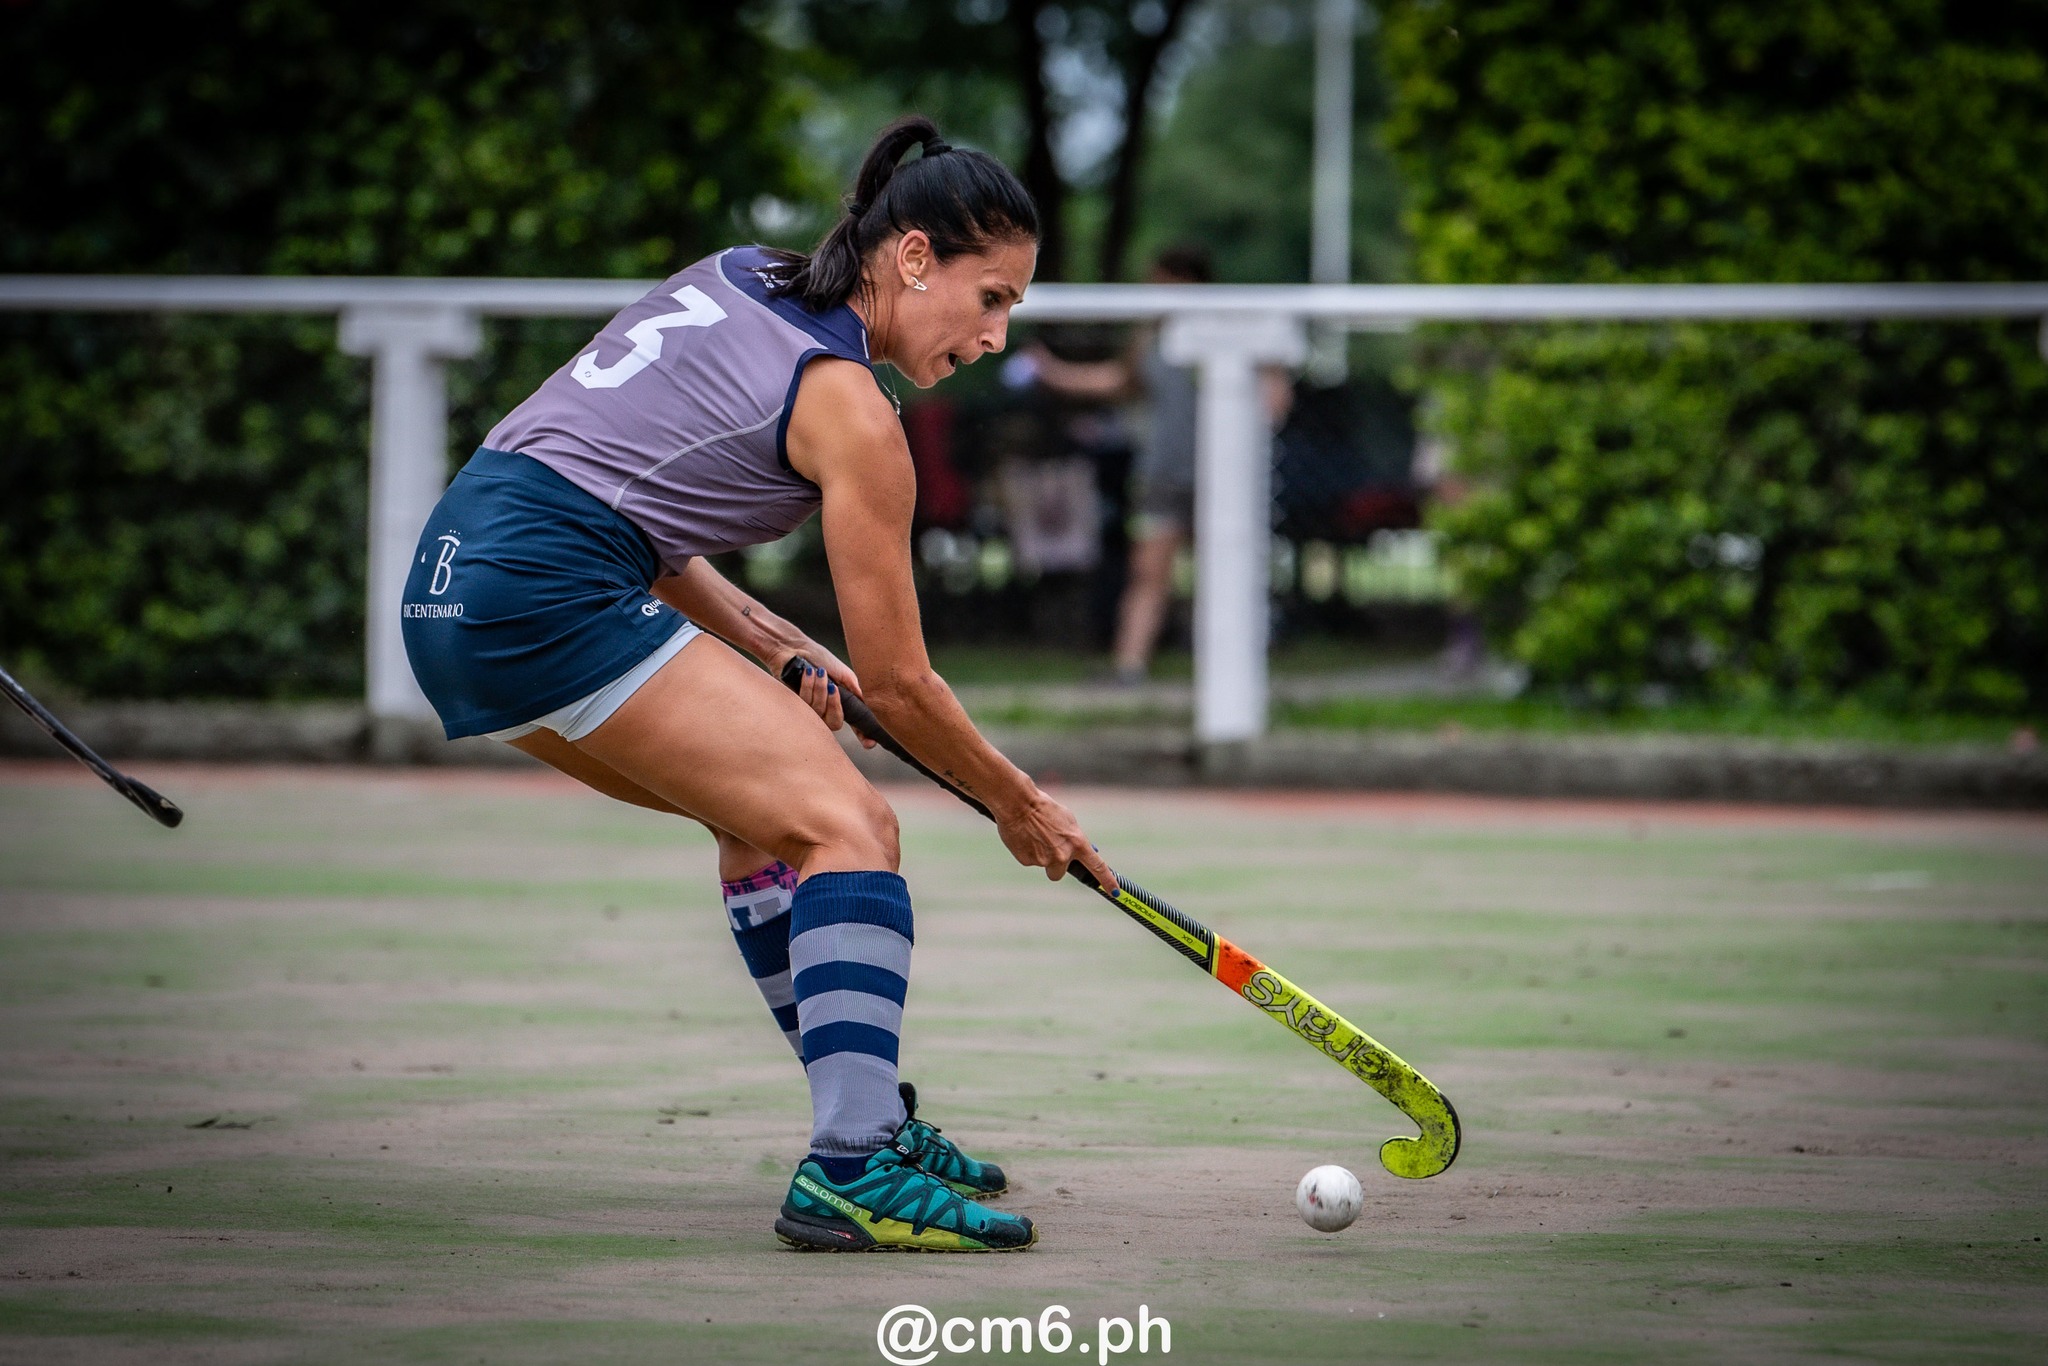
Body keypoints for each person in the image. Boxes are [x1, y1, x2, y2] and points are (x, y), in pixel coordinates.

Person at [399, 116, 1115, 1254]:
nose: (992, 337)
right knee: (848, 823)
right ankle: (851, 1169)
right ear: (914, 255)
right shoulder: (852, 410)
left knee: (765, 831)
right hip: (541, 586)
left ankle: (863, 1118)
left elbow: (620, 492)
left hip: (454, 587)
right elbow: (903, 683)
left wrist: (774, 643)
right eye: (992, 298)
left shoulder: (741, 276)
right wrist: (1018, 804)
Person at [1024, 247, 1293, 683]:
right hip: (1162, 475)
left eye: (1162, 281)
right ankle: (1129, 667)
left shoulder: (1231, 328)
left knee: (1227, 574)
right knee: (1148, 572)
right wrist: (1054, 372)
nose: (1153, 291)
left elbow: (1274, 396)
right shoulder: (1148, 336)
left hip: (1222, 478)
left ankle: (1234, 673)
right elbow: (1119, 380)